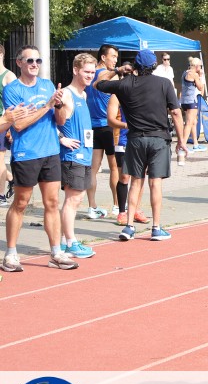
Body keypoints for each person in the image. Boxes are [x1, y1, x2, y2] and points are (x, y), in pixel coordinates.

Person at [96, 49, 185, 241]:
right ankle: (156, 228)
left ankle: (129, 226)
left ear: (134, 65)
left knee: (135, 182)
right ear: (154, 66)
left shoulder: (125, 84)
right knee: (155, 182)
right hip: (159, 138)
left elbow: (98, 83)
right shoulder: (164, 83)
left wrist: (117, 70)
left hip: (135, 139)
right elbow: (176, 113)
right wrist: (182, 141)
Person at [2, 45, 77, 271]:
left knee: (52, 203)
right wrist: (46, 105)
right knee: (21, 203)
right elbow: (19, 124)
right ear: (19, 63)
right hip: (26, 153)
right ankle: (11, 254)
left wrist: (59, 105)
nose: (35, 64)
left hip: (50, 151)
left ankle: (56, 252)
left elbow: (60, 120)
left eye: (38, 61)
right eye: (30, 60)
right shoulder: (12, 90)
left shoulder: (47, 85)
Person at [57, 53, 101, 259]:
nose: (90, 76)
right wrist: (61, 138)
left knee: (78, 198)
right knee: (73, 198)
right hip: (72, 155)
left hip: (85, 154)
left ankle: (64, 240)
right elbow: (48, 120)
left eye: (92, 72)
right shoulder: (66, 94)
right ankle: (70, 242)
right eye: (86, 72)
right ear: (76, 70)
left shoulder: (83, 95)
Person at [85, 44, 123, 218]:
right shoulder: (104, 74)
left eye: (116, 57)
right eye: (113, 56)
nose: (115, 60)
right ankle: (117, 205)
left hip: (91, 126)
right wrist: (117, 71)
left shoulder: (87, 74)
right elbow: (103, 78)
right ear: (103, 57)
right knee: (114, 167)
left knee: (93, 168)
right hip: (108, 126)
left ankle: (92, 207)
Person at [106, 89, 150, 226]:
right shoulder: (117, 95)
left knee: (140, 176)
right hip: (123, 140)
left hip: (141, 139)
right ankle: (122, 212)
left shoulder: (144, 91)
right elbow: (111, 120)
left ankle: (136, 209)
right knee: (124, 176)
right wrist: (127, 125)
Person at [176, 57, 206, 162]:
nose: (200, 68)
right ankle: (183, 145)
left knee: (194, 122)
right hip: (191, 101)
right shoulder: (195, 74)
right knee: (188, 123)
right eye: (200, 66)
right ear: (197, 66)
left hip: (184, 101)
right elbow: (200, 87)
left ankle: (195, 144)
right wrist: (200, 76)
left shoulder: (185, 73)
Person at [0, 44, 16, 205]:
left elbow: (15, 103)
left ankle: (1, 196)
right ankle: (11, 178)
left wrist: (11, 127)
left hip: (3, 122)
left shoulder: (9, 76)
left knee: (0, 159)